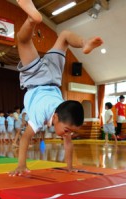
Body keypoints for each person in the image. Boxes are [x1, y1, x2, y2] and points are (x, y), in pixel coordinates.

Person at [9, 0, 103, 176]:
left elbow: (68, 143)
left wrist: (69, 167)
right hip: (36, 79)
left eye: (72, 132)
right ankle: (31, 19)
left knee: (65, 36)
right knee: (22, 40)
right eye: (68, 131)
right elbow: (25, 138)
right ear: (56, 117)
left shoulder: (63, 115)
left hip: (54, 76)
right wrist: (21, 164)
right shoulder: (41, 114)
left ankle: (84, 43)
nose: (69, 135)